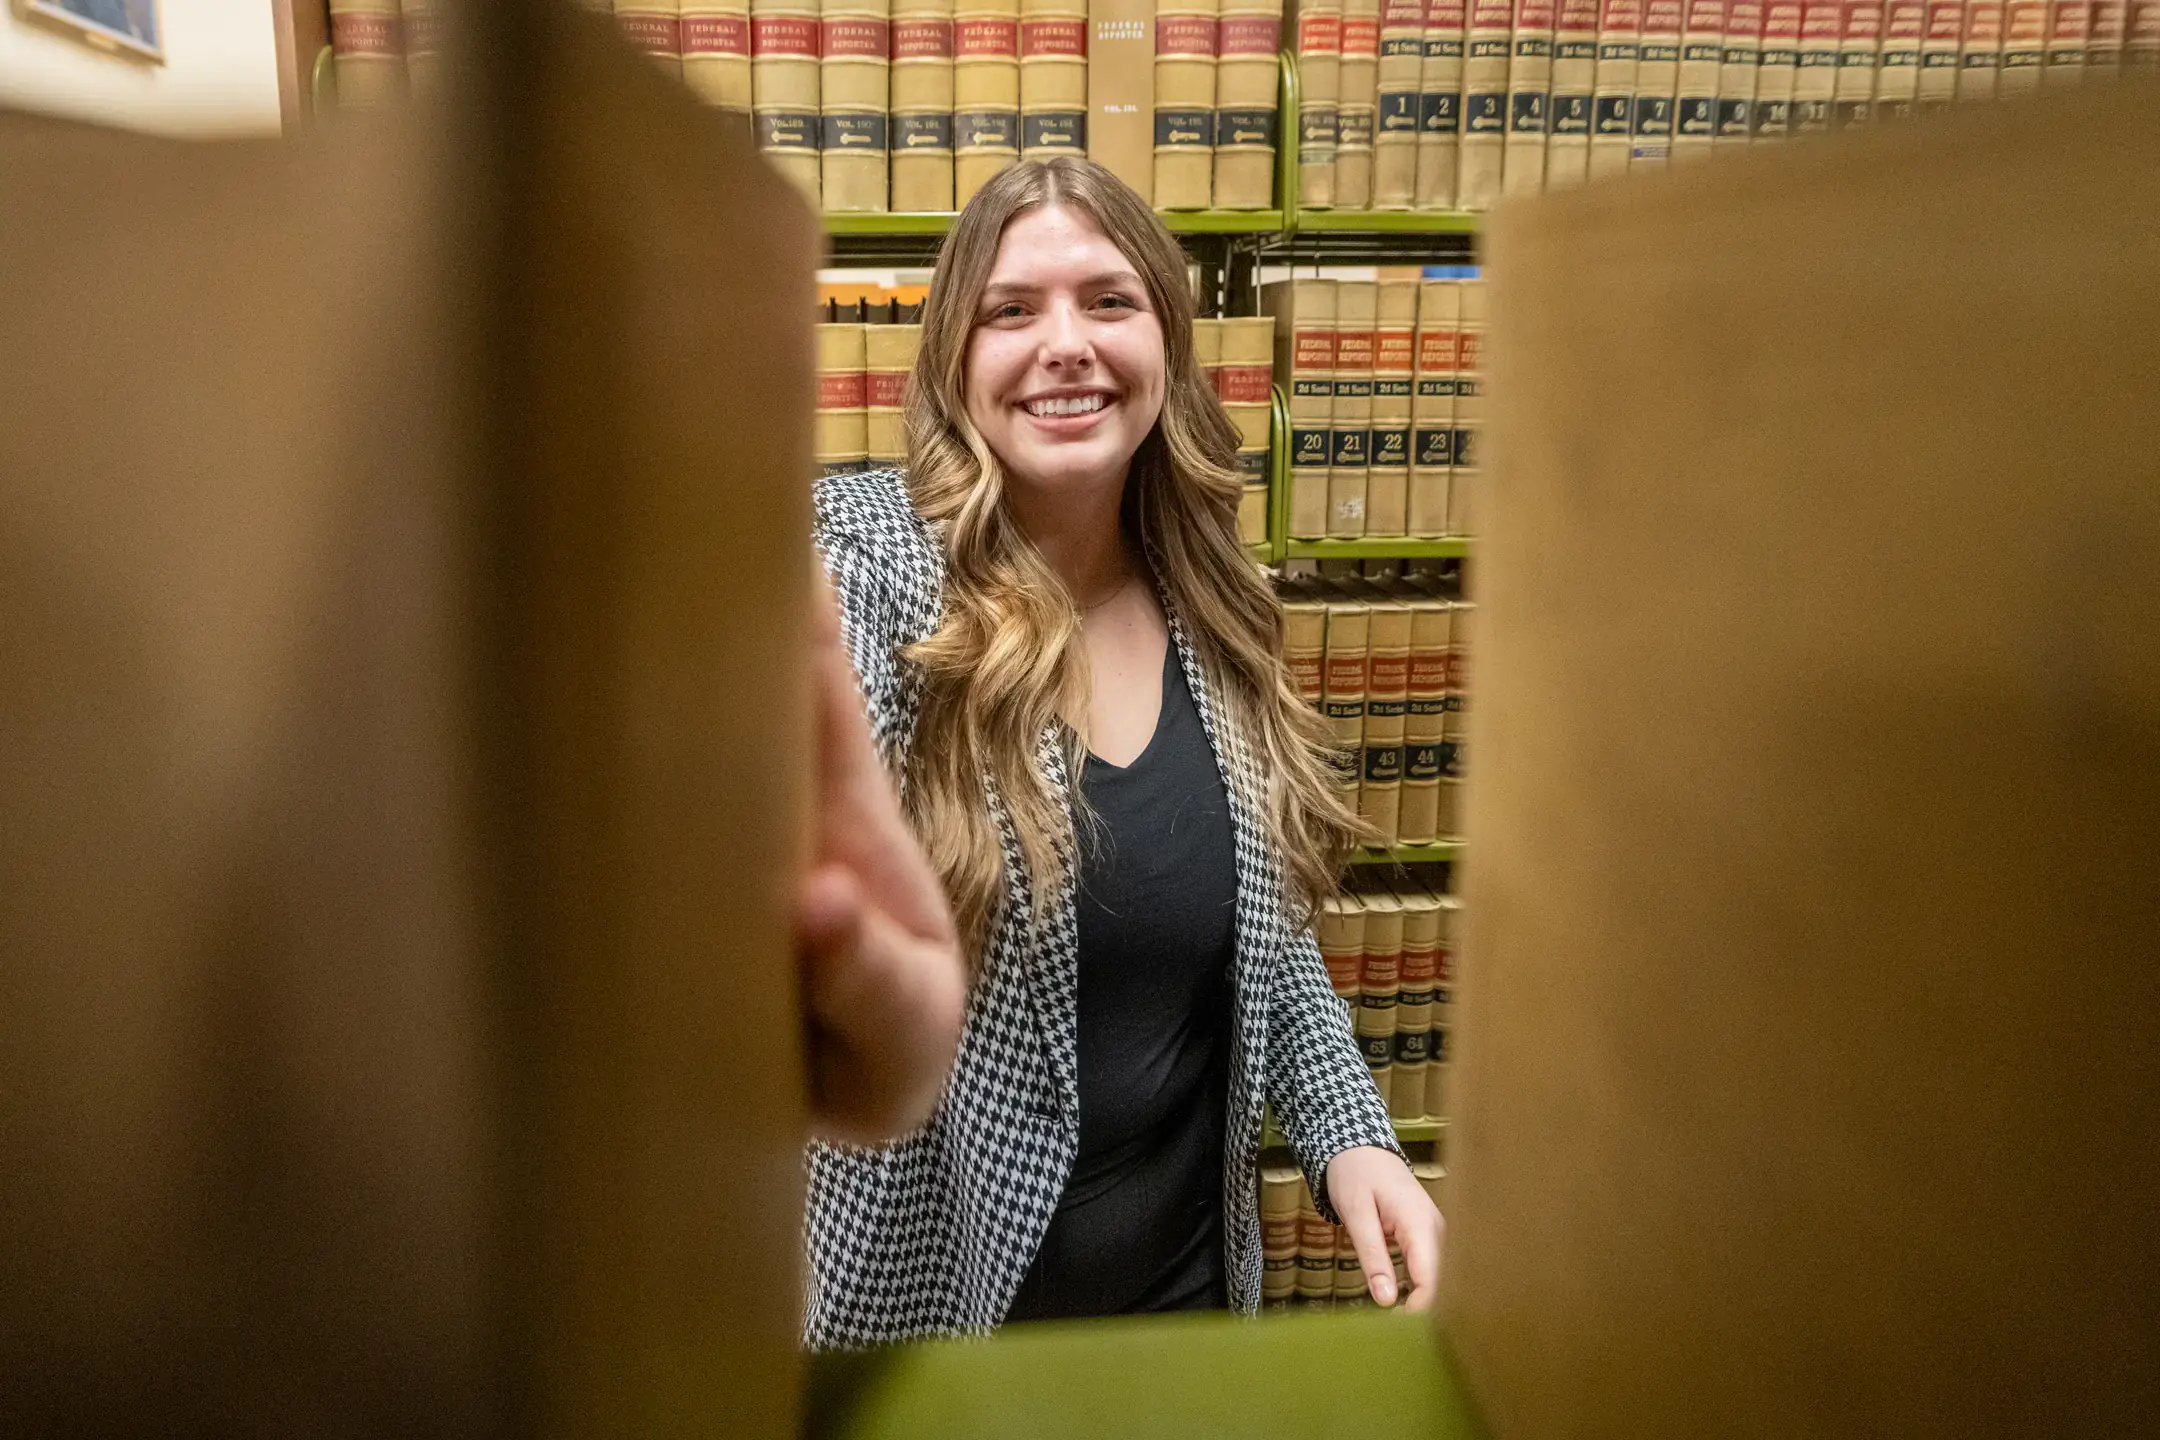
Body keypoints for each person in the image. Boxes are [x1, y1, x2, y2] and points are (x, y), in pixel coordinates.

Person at [800, 156, 1442, 1349]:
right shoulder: (871, 575)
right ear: (953, 358)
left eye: (1108, 300)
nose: (1066, 344)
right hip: (934, 1336)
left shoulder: (1208, 588)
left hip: (1181, 1319)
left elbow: (1257, 930)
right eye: (1012, 309)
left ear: (1167, 340)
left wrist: (1351, 1134)